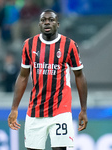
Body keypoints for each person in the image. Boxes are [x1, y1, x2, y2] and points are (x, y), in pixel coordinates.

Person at [8, 9, 88, 150]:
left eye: (51, 20)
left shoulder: (69, 45)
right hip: (35, 111)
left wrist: (83, 109)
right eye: (43, 20)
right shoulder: (29, 45)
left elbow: (79, 76)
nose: (47, 22)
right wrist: (14, 108)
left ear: (57, 24)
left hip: (60, 110)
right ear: (39, 24)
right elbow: (23, 76)